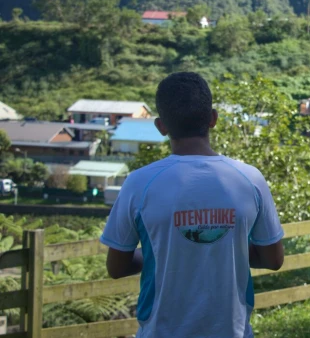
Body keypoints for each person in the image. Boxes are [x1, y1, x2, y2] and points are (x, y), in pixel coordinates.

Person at [100, 72, 284, 338]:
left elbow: (116, 268)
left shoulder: (139, 184)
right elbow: (274, 259)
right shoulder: (250, 179)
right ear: (213, 119)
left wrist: (165, 252)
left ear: (161, 126)